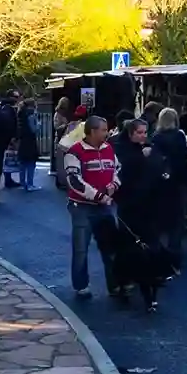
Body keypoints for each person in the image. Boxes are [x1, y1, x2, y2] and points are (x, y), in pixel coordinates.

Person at [62, 114, 121, 299]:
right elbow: (74, 180)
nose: (107, 133)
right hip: (82, 207)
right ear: (93, 131)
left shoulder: (109, 148)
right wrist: (97, 195)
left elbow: (117, 170)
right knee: (81, 248)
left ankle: (115, 284)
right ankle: (81, 285)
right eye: (104, 130)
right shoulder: (74, 152)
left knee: (110, 247)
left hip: (104, 206)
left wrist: (114, 186)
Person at [150, 106, 187, 267]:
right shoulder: (179, 136)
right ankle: (174, 252)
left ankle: (158, 251)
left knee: (160, 217)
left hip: (161, 185)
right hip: (178, 183)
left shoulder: (156, 137)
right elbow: (184, 160)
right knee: (178, 219)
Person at [15, 99, 41, 191]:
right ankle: (30, 184)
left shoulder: (20, 113)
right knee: (31, 163)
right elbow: (34, 129)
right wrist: (38, 124)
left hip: (22, 140)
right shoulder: (31, 114)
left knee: (22, 163)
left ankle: (22, 183)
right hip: (30, 141)